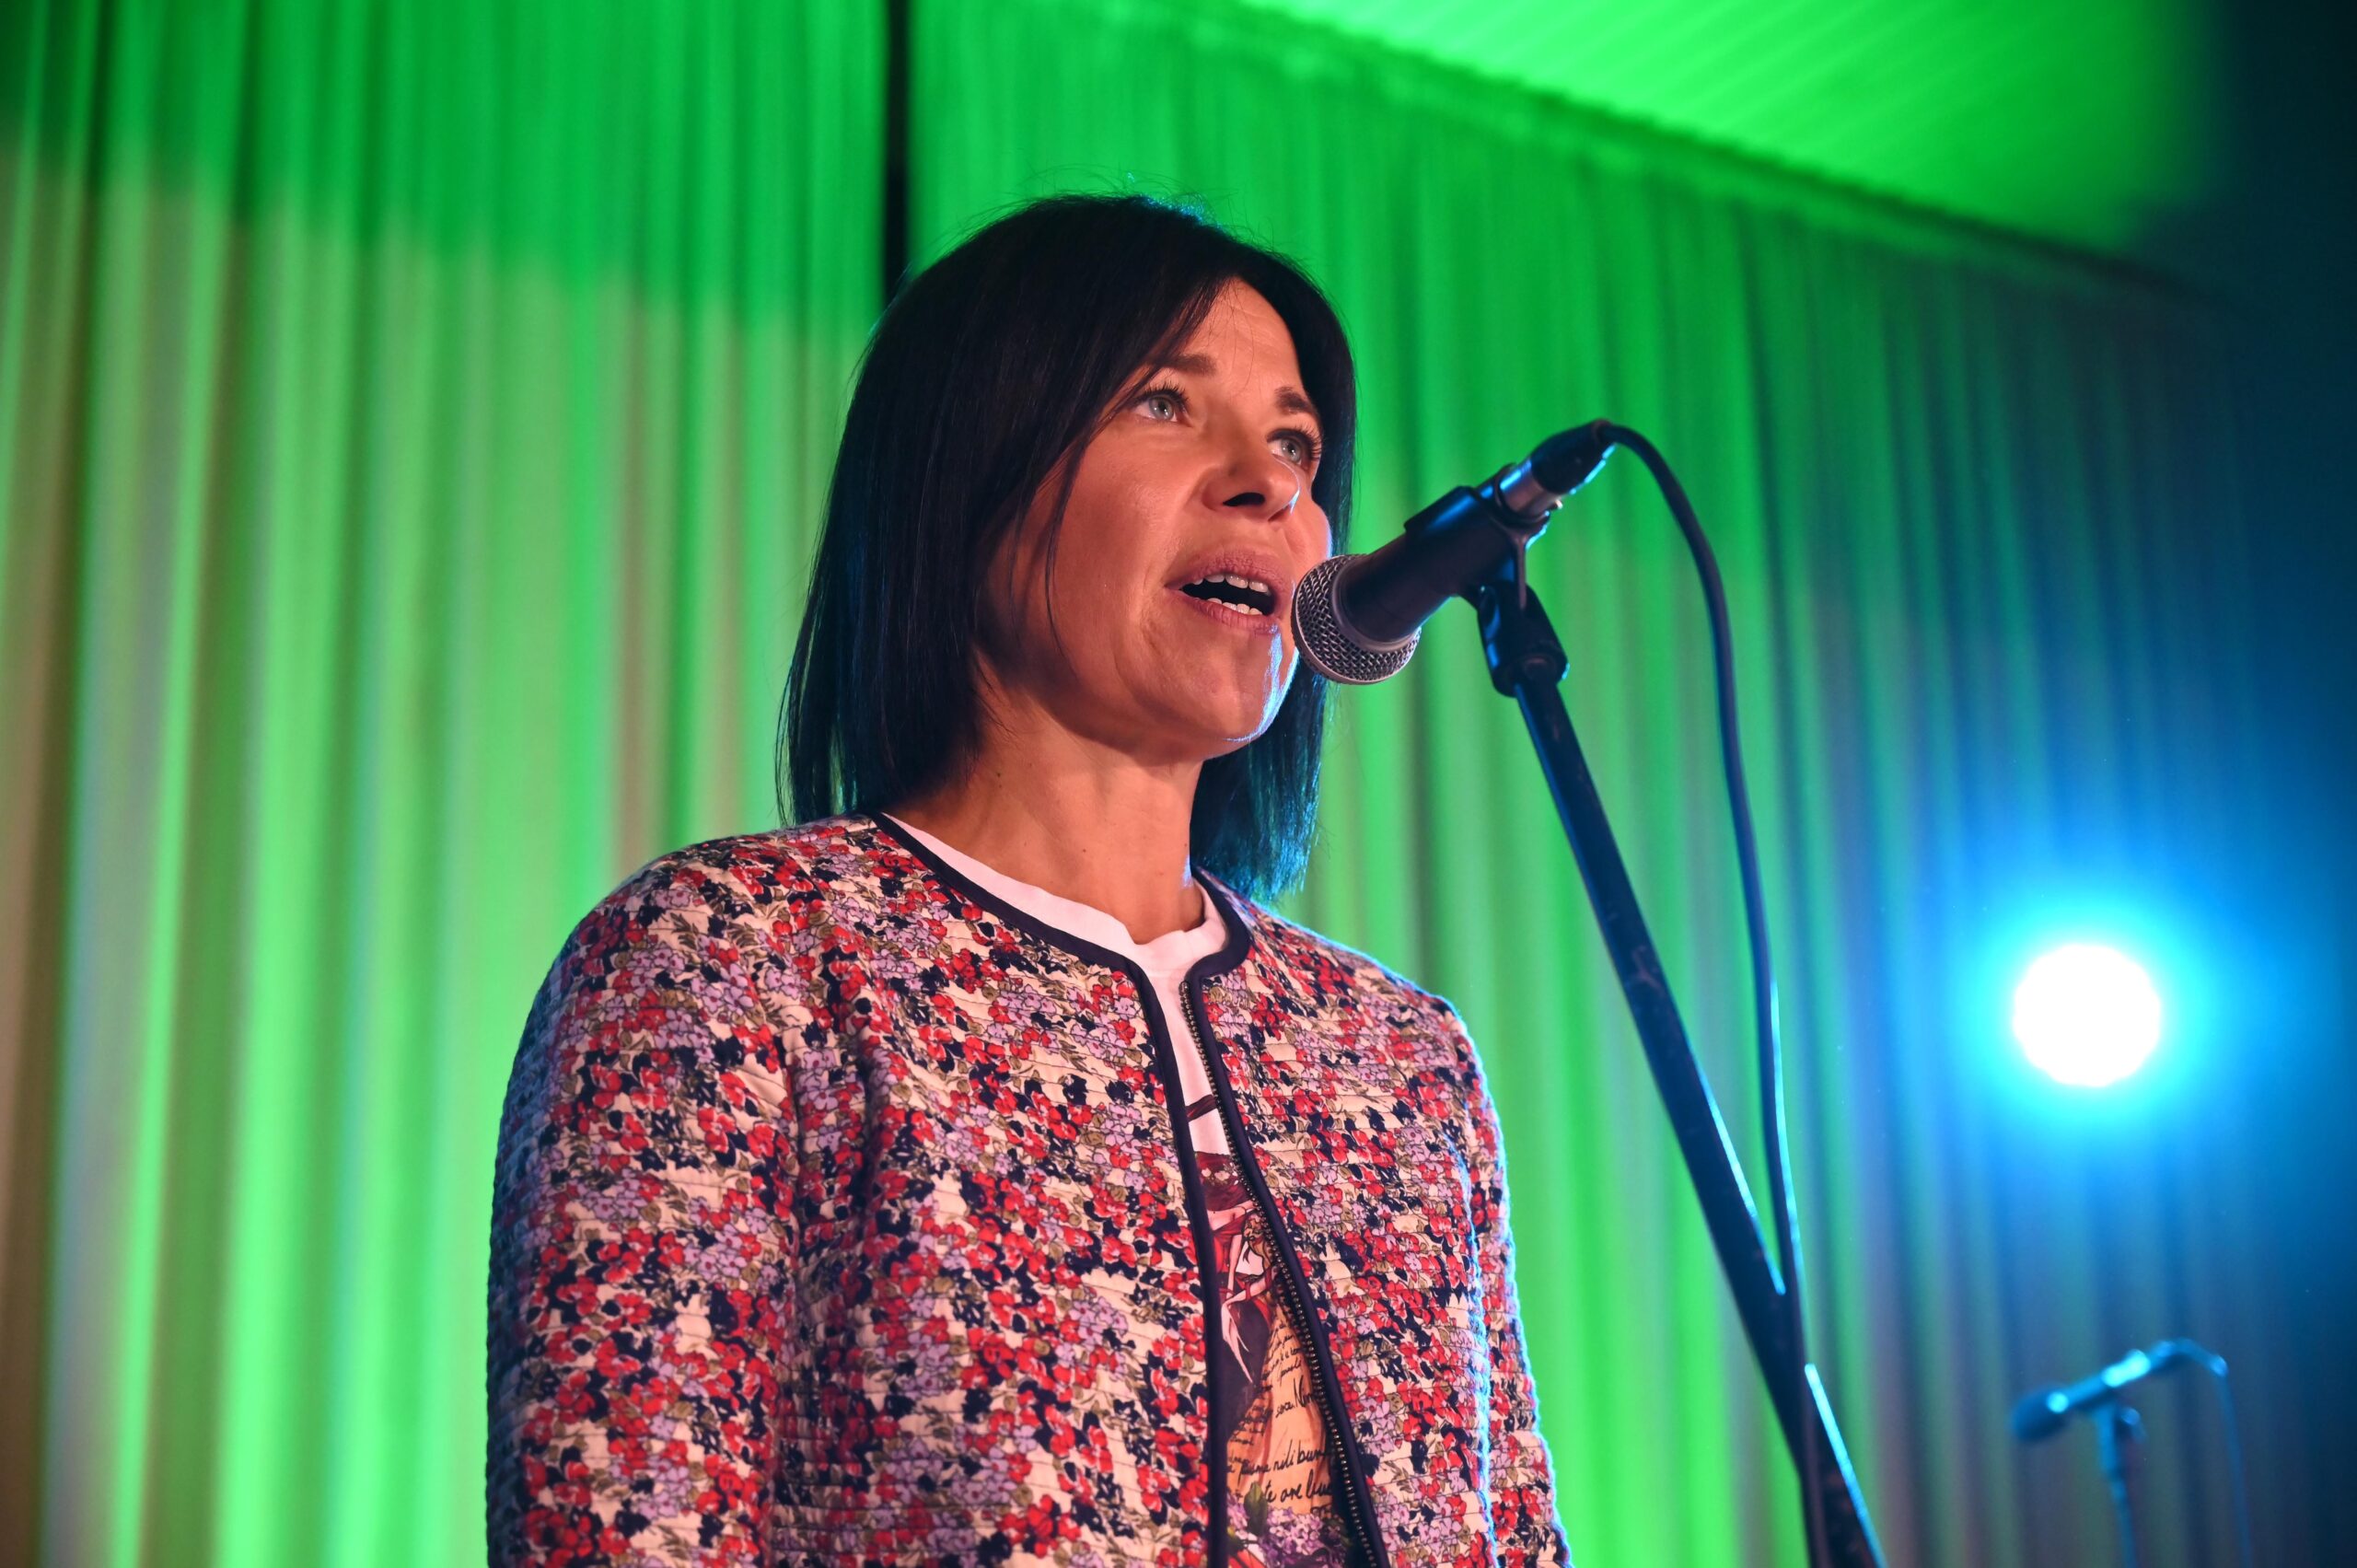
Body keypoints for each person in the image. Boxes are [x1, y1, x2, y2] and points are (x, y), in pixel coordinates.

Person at [487, 192, 1571, 1568]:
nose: (1267, 484)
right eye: (1164, 403)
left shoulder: (1404, 1061)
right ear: (967, 471)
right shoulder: (732, 963)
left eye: (1296, 443)